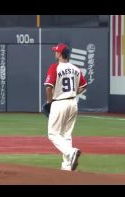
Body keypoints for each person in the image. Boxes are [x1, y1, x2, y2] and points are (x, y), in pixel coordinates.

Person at [44, 43, 88, 171]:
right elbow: (84, 86)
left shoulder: (55, 67)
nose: (55, 53)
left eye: (56, 52)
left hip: (59, 102)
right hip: (73, 103)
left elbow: (48, 86)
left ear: (59, 54)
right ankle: (67, 166)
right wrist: (74, 93)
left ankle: (71, 152)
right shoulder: (75, 68)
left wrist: (49, 102)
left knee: (53, 134)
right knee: (66, 135)